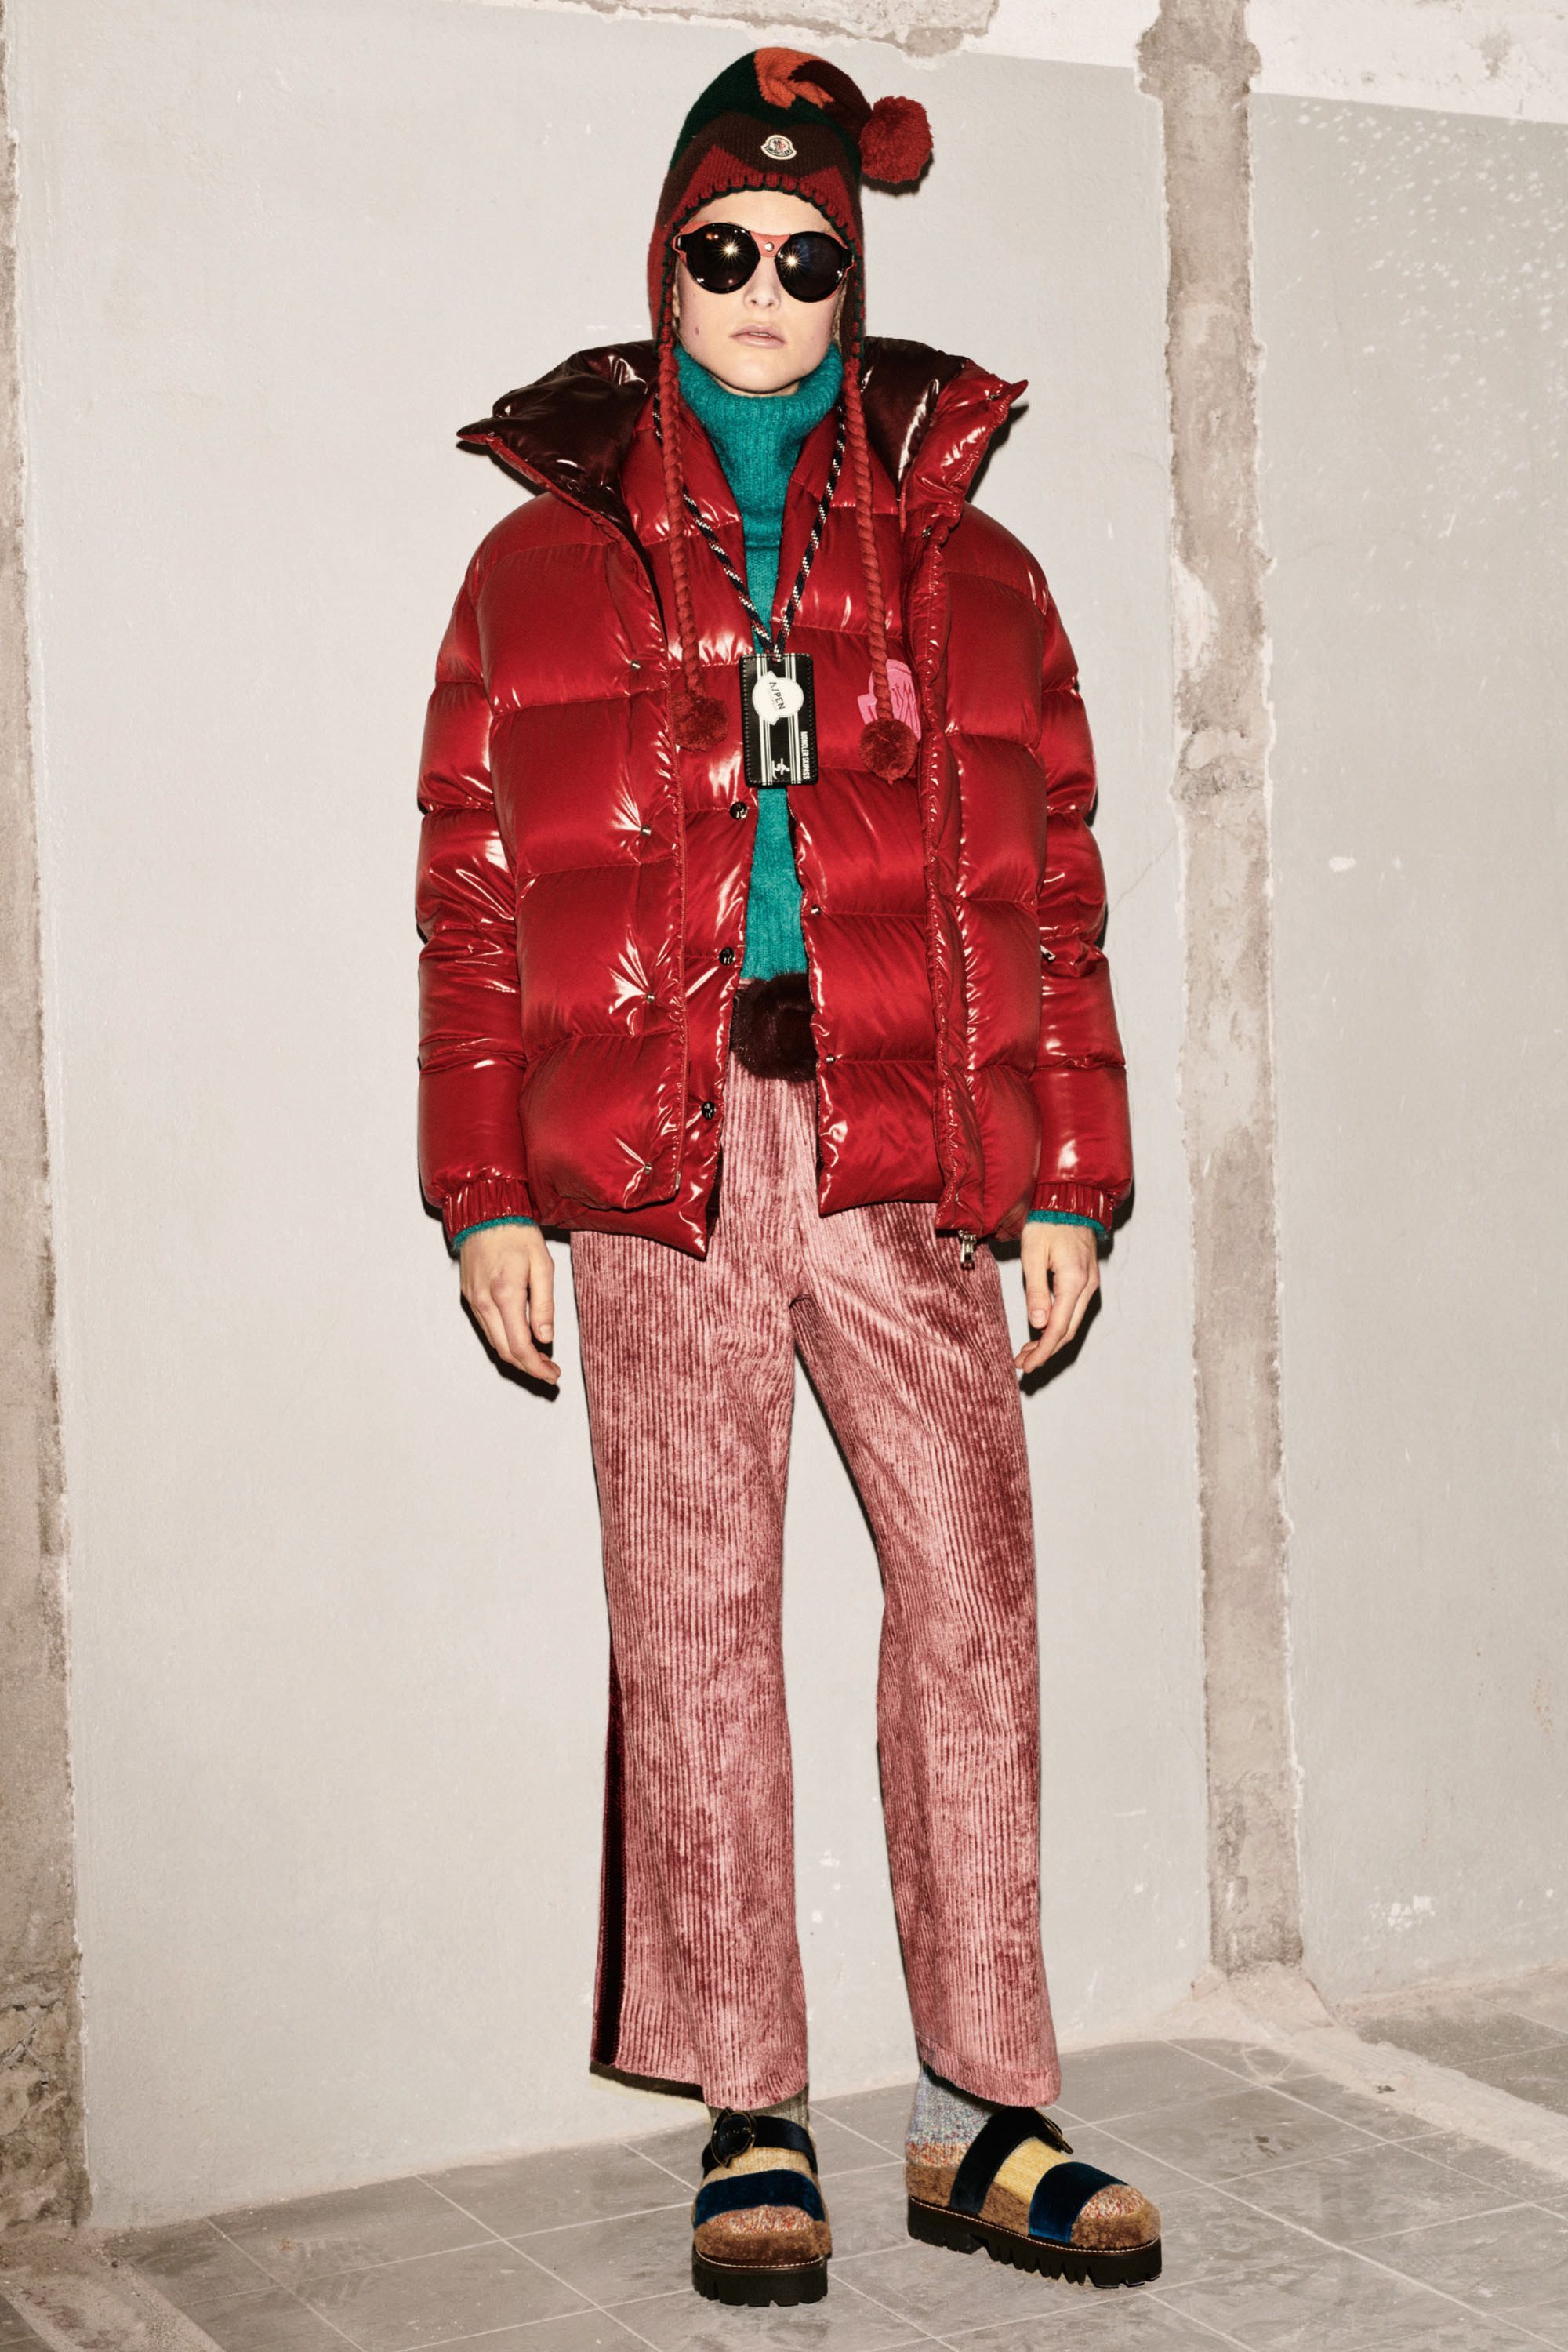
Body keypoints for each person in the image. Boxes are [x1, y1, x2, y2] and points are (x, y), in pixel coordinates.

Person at [416, 45, 1156, 2308]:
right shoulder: (532, 569)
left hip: (900, 1141)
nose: (763, 286)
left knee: (972, 1599)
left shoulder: (979, 573)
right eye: (724, 248)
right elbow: (468, 897)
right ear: (667, 267)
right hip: (653, 1154)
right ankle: (753, 2110)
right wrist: (488, 1190)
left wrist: (1068, 1178)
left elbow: (1055, 891)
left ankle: (988, 2113)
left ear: (854, 282)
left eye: (807, 255)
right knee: (697, 1616)